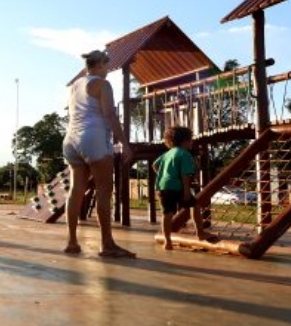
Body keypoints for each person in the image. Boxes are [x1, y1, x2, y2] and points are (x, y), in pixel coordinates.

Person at [61, 50, 135, 258]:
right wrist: (125, 144)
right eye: (107, 65)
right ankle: (107, 244)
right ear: (100, 65)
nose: (108, 69)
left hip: (70, 140)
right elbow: (109, 114)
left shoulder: (76, 85)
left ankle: (72, 241)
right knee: (104, 190)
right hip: (94, 137)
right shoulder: (103, 85)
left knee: (76, 189)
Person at [153, 126, 215, 249]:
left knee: (167, 213)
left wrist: (164, 175)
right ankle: (200, 232)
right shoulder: (185, 154)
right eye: (190, 140)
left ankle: (167, 241)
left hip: (163, 187)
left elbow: (154, 165)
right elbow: (185, 175)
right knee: (195, 206)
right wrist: (186, 191)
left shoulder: (167, 154)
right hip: (178, 187)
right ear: (184, 141)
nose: (192, 143)